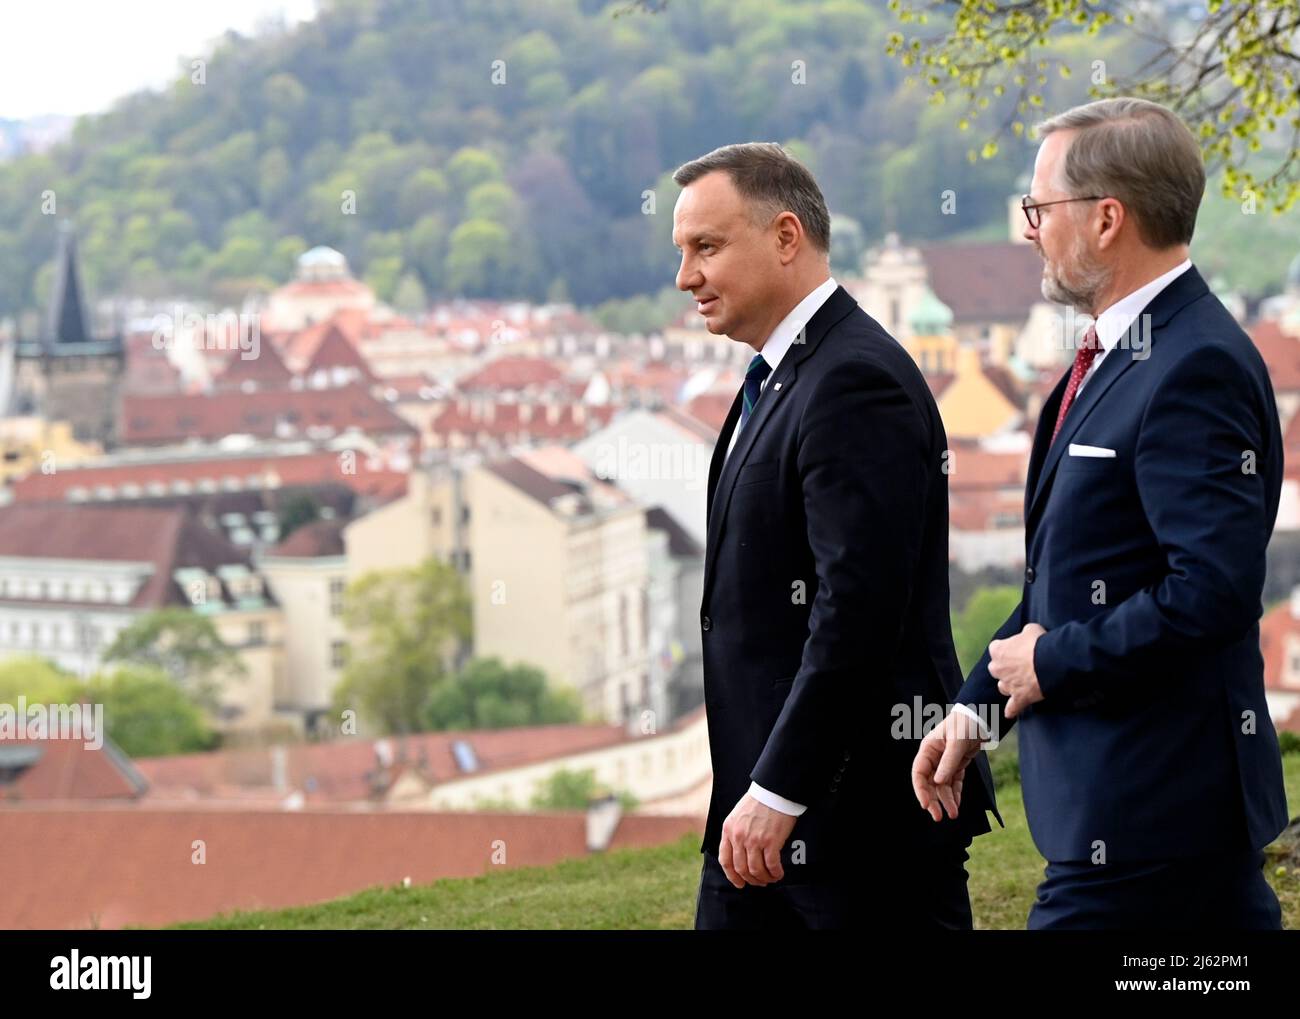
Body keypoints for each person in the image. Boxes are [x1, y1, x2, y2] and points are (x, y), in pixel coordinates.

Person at [912, 98, 1289, 930]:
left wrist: (1056, 665)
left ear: (1107, 218)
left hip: (1155, 814)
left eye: (1039, 210)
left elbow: (1214, 593)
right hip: (1130, 818)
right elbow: (1075, 577)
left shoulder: (1195, 366)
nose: (1028, 232)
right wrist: (979, 708)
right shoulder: (1118, 354)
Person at [672, 142, 999, 930]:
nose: (686, 277)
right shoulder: (781, 377)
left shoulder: (854, 380)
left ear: (787, 237)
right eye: (683, 252)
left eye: (706, 247)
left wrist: (781, 788)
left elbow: (856, 611)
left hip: (855, 827)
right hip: (767, 821)